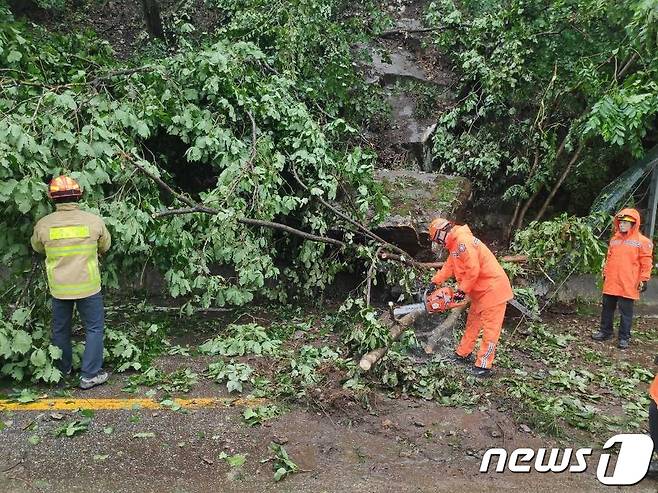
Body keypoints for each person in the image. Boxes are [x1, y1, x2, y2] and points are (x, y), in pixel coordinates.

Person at [30, 175, 111, 389]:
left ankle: (62, 369)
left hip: (60, 288)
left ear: (51, 197)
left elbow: (37, 248)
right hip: (89, 286)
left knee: (60, 330)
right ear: (79, 195)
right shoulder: (93, 221)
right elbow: (105, 246)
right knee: (93, 329)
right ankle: (90, 375)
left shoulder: (44, 225)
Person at [427, 218, 513, 377]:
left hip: (493, 291)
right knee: (472, 323)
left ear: (443, 231)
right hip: (479, 292)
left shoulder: (463, 241)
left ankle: (484, 365)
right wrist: (434, 282)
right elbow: (449, 267)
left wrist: (461, 290)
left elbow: (473, 269)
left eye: (438, 239)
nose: (439, 243)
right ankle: (463, 353)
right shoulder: (455, 246)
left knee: (490, 331)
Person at [592, 208, 653, 349]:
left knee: (626, 312)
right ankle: (605, 332)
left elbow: (646, 262)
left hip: (629, 283)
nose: (622, 225)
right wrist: (605, 274)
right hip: (612, 281)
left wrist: (644, 279)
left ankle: (624, 338)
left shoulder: (643, 242)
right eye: (620, 222)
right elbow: (609, 259)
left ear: (634, 224)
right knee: (607, 308)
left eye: (626, 223)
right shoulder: (614, 240)